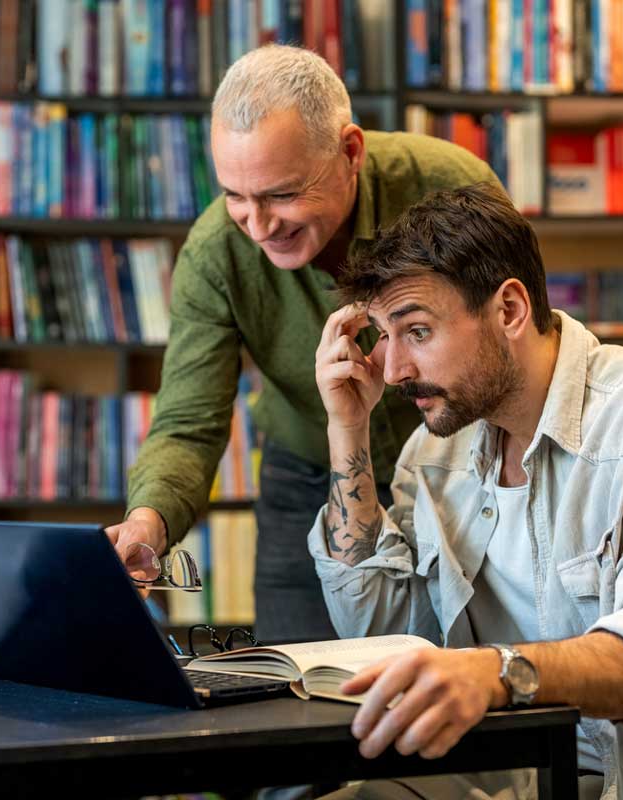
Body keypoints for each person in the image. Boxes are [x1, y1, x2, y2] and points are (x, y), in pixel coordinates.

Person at [308, 182, 623, 799]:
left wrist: (496, 673)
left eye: (417, 331)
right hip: (498, 777)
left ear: (509, 310)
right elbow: (383, 635)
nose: (393, 369)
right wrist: (347, 430)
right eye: (382, 335)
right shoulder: (436, 451)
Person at [106, 44, 498, 643]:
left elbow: (513, 343)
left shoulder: (449, 187)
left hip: (463, 462)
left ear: (350, 152)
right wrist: (146, 524)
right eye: (235, 196)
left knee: (470, 654)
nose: (259, 226)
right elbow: (188, 423)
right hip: (309, 478)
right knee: (295, 674)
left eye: (282, 194)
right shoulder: (215, 253)